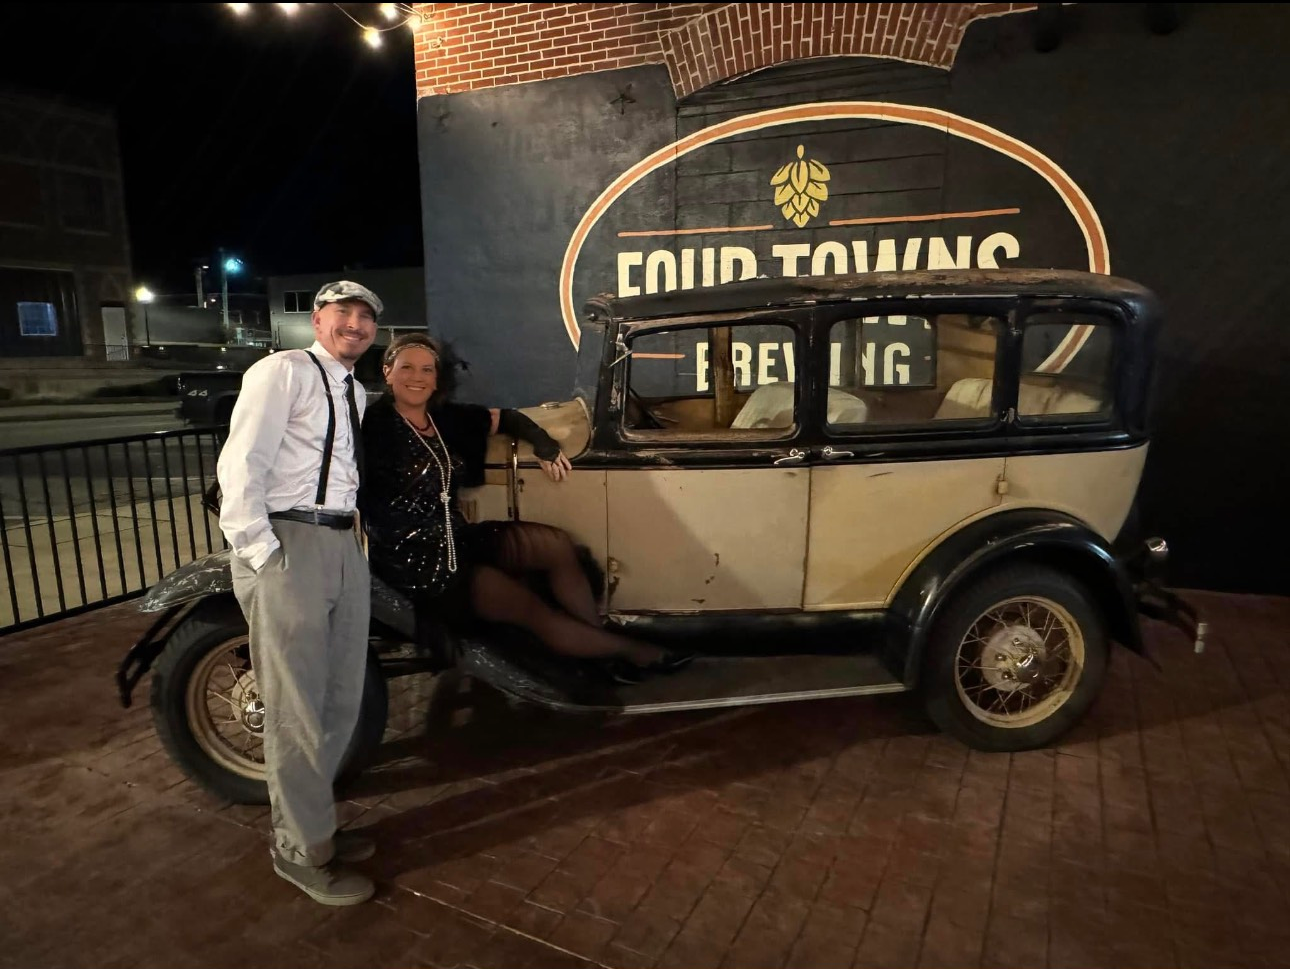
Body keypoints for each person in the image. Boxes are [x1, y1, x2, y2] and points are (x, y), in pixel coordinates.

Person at [360, 333, 691, 680]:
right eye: (407, 368)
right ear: (387, 372)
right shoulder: (372, 426)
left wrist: (545, 446)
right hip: (417, 563)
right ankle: (634, 653)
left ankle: (598, 647)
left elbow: (507, 419)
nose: (417, 377)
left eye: (427, 369)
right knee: (532, 610)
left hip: (456, 538)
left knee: (556, 546)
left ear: (437, 377)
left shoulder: (444, 418)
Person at [216, 280, 382, 907]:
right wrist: (261, 552)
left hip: (342, 543)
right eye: (345, 313)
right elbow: (242, 464)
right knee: (295, 708)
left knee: (341, 697)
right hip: (290, 542)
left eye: (366, 318)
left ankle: (319, 825)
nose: (356, 325)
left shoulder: (356, 392)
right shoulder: (283, 370)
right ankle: (297, 848)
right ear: (317, 320)